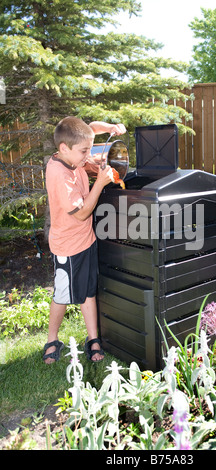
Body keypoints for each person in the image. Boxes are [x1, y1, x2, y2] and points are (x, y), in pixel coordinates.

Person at [43, 116, 126, 364]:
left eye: (89, 149)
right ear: (63, 149)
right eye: (84, 152)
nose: (88, 156)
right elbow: (81, 214)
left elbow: (92, 127)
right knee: (63, 295)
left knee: (88, 291)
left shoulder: (74, 154)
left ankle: (93, 338)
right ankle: (51, 339)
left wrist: (109, 128)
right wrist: (99, 182)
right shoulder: (59, 174)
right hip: (67, 247)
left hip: (86, 240)